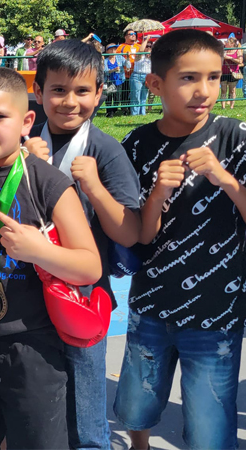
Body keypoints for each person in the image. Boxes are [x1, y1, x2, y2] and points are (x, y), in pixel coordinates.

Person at [0, 67, 101, 450]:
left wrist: (39, 251)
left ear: (26, 121)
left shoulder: (47, 182)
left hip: (33, 346)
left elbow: (90, 266)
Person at [115, 29, 246, 450]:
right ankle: (138, 445)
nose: (204, 90)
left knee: (210, 422)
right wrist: (156, 194)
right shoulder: (137, 144)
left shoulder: (237, 137)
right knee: (137, 401)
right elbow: (140, 234)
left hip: (217, 307)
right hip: (152, 300)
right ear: (155, 84)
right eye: (189, 78)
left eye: (214, 77)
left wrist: (224, 178)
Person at [26, 39, 141, 450]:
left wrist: (93, 187)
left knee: (86, 399)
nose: (70, 101)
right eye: (58, 90)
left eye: (82, 91)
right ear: (38, 91)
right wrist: (22, 163)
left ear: (99, 93)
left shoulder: (104, 150)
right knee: (35, 394)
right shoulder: (22, 139)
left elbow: (130, 233)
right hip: (26, 291)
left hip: (85, 296)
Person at [115, 30, 138, 115]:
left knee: (135, 92)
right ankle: (125, 109)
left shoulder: (139, 46)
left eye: (134, 34)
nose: (133, 35)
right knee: (125, 92)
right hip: (125, 74)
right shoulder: (121, 47)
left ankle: (133, 108)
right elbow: (117, 58)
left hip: (136, 74)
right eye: (131, 34)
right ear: (125, 37)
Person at [130, 36, 154, 116]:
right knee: (136, 97)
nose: (148, 48)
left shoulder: (152, 57)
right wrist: (146, 40)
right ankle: (135, 114)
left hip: (147, 77)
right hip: (137, 76)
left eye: (150, 46)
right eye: (147, 46)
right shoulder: (139, 56)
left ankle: (142, 114)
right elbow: (141, 50)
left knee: (144, 97)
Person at [221, 34, 242, 110]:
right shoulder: (223, 50)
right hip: (223, 73)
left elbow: (240, 61)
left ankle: (231, 107)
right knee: (223, 90)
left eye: (227, 42)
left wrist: (230, 58)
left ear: (232, 44)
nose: (225, 43)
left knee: (232, 91)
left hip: (233, 73)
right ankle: (223, 107)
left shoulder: (237, 51)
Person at [104, 44, 125, 117]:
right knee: (108, 98)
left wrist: (128, 58)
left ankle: (114, 109)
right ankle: (109, 112)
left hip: (118, 80)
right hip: (108, 81)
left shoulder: (120, 58)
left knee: (117, 98)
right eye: (111, 49)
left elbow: (128, 65)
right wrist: (113, 70)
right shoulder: (105, 60)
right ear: (107, 51)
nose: (113, 51)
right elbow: (105, 71)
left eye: (114, 49)